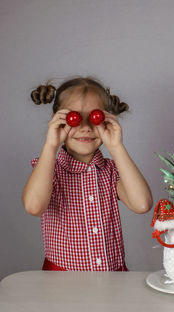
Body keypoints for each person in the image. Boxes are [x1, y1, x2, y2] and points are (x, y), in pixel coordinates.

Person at [22, 76, 153, 271]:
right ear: (58, 121)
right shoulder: (50, 170)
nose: (85, 128)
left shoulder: (111, 170)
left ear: (106, 119)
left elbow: (142, 204)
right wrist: (51, 145)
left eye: (94, 118)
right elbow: (34, 206)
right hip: (62, 281)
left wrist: (116, 146)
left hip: (113, 279)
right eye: (74, 119)